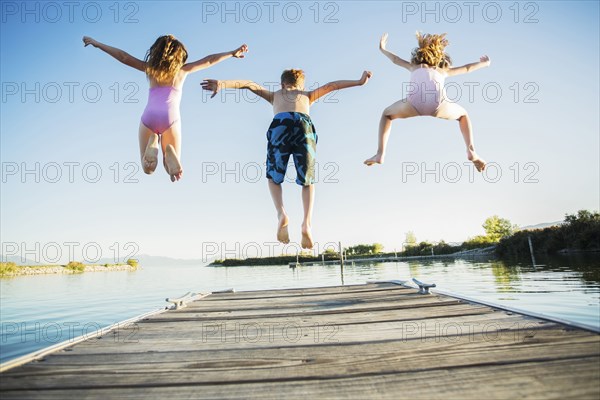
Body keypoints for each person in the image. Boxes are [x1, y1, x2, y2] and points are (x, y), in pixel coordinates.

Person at [202, 69, 371, 248]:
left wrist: (222, 84)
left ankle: (281, 213)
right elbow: (332, 86)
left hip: (280, 125)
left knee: (273, 178)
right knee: (308, 181)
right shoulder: (307, 95)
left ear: (282, 84)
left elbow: (249, 84)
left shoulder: (275, 95)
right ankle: (306, 223)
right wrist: (358, 82)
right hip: (304, 126)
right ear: (302, 85)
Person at [83, 35, 248, 181]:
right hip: (171, 118)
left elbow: (124, 57)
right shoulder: (182, 71)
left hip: (149, 116)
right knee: (170, 170)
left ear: (157, 51)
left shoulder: (151, 69)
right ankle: (168, 151)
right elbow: (209, 59)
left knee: (148, 168)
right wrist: (232, 53)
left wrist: (98, 43)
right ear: (179, 54)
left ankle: (153, 142)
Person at [364, 32, 490, 172]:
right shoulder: (443, 71)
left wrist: (383, 49)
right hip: (439, 104)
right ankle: (471, 150)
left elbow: (395, 59)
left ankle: (380, 153)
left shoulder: (414, 67)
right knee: (463, 115)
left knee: (387, 114)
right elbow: (467, 68)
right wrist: (484, 63)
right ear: (438, 57)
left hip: (413, 104)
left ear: (418, 56)